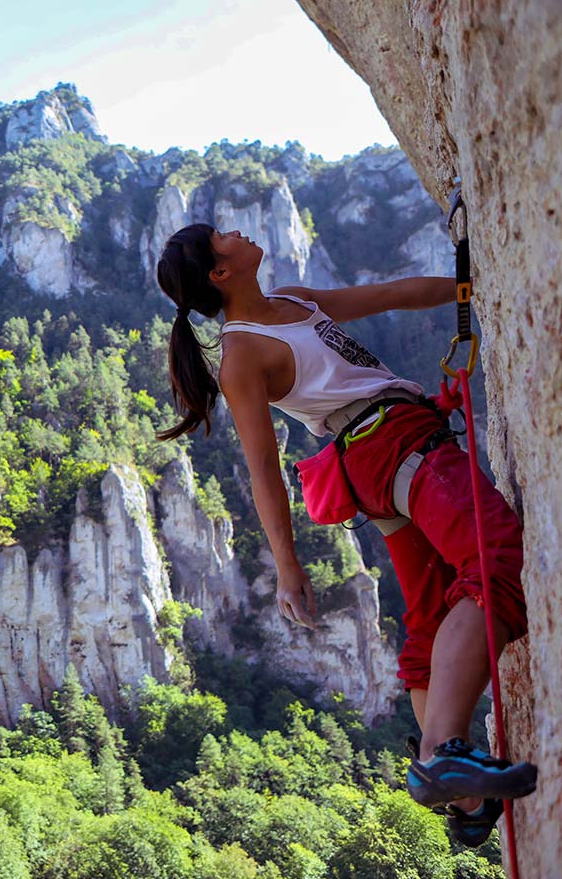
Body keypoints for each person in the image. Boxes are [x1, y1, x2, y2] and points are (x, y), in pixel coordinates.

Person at [154, 223, 536, 846]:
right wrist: (287, 566)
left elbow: (392, 294)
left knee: (430, 618)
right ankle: (443, 752)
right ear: (219, 273)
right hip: (390, 444)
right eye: (221, 237)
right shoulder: (242, 355)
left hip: (383, 452)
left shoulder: (296, 300)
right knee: (498, 563)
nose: (236, 231)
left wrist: (471, 285)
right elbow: (263, 472)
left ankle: (464, 795)